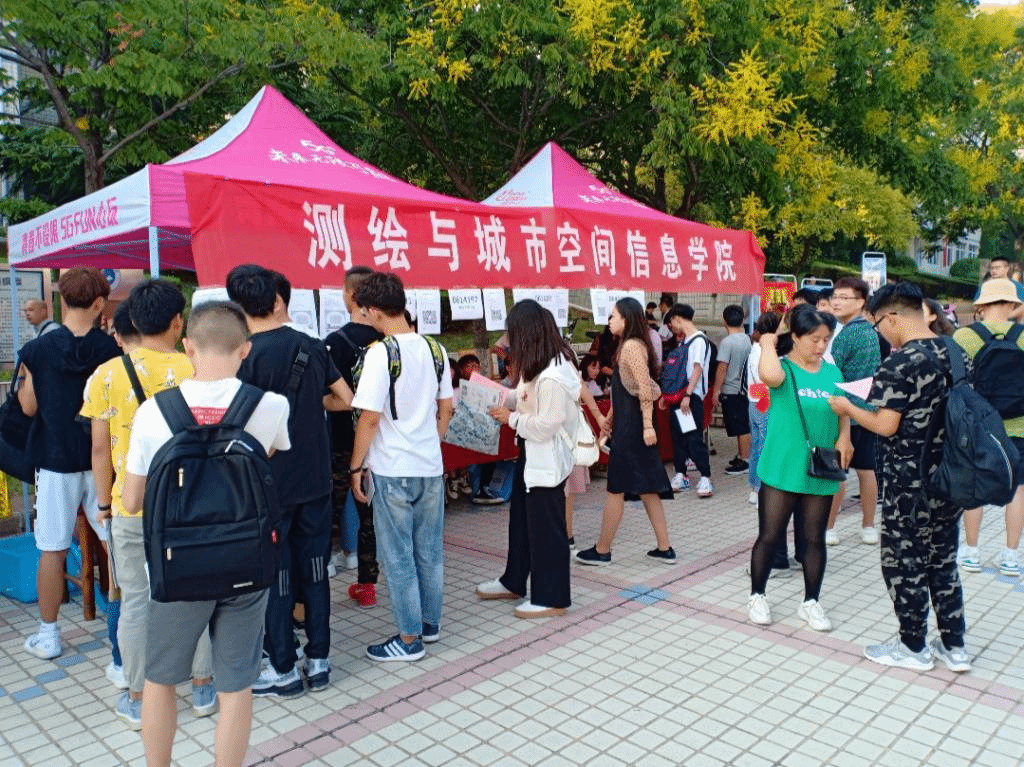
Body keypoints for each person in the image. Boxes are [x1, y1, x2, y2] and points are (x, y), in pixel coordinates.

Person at [121, 301, 291, 767]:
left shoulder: (154, 412)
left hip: (179, 568)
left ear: (188, 347)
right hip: (246, 563)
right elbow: (263, 462)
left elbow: (132, 501)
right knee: (236, 686)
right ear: (245, 349)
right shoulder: (271, 406)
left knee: (160, 680)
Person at [81, 279, 216, 729]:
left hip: (131, 505)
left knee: (137, 601)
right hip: (191, 505)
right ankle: (203, 687)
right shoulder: (200, 369)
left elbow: (99, 450)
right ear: (179, 322)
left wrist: (104, 504)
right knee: (195, 594)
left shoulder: (106, 375)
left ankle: (139, 697)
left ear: (132, 323)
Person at [829, 282, 971, 672]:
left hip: (910, 482)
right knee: (943, 559)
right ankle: (954, 645)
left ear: (891, 318)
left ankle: (913, 646)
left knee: (904, 561)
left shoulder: (901, 362)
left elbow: (885, 425)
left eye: (878, 324)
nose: (880, 332)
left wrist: (847, 408)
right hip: (953, 476)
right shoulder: (955, 351)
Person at [227, 265, 352, 697]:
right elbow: (346, 399)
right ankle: (319, 661)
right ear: (278, 301)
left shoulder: (243, 356)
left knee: (276, 573)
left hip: (269, 485)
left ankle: (282, 667)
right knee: (315, 569)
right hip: (315, 478)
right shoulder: (313, 346)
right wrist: (309, 403)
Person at [349, 273, 453, 661]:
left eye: (365, 311)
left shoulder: (381, 353)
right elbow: (446, 407)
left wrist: (355, 468)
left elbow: (369, 418)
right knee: (430, 551)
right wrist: (430, 442)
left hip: (392, 468)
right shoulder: (435, 349)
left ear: (375, 311)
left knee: (398, 556)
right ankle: (429, 625)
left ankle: (409, 640)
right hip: (430, 467)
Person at [19, 267, 120, 663]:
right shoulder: (111, 350)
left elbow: (28, 406)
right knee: (114, 543)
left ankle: (48, 635)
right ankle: (127, 626)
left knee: (52, 547)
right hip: (104, 459)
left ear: (61, 300)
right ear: (99, 304)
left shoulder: (38, 350)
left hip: (55, 458)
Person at [748, 304, 852, 632]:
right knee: (770, 535)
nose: (821, 346)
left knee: (813, 539)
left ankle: (811, 602)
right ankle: (757, 595)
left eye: (826, 339)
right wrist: (768, 340)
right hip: (782, 466)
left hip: (820, 467)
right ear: (794, 336)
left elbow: (841, 410)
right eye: (814, 339)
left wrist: (845, 437)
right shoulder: (783, 369)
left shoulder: (833, 373)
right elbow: (769, 376)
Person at [476, 300, 580, 617]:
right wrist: (495, 395)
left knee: (546, 530)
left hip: (547, 461)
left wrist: (510, 419)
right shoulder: (540, 365)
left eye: (512, 335)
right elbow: (522, 397)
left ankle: (552, 598)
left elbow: (547, 424)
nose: (509, 342)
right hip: (532, 456)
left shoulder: (553, 374)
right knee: (521, 521)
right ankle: (514, 580)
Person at [576, 298, 675, 566]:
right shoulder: (630, 345)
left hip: (634, 430)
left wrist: (647, 426)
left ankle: (602, 550)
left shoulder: (631, 346)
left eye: (613, 316)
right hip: (630, 426)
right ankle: (664, 548)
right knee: (647, 488)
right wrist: (609, 420)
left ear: (627, 319)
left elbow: (644, 388)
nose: (609, 321)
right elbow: (624, 391)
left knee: (616, 488)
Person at [952, 279, 1024, 577]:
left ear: (981, 306)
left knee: (975, 486)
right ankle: (1011, 556)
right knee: (1018, 489)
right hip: (1020, 424)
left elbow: (955, 381)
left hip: (979, 424)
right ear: (1013, 305)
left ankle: (971, 552)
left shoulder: (964, 336)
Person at [325, 266, 384, 609]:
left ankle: (321, 570)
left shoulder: (334, 342)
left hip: (341, 441)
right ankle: (367, 585)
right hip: (378, 443)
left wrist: (335, 402)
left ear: (348, 294)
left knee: (329, 508)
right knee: (369, 516)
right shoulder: (386, 340)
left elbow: (327, 397)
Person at [826, 277, 881, 546]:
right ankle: (868, 527)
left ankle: (829, 528)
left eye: (843, 297)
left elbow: (833, 376)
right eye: (835, 296)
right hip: (868, 412)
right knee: (867, 470)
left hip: (844, 412)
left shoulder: (847, 335)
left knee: (838, 471)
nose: (836, 302)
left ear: (860, 302)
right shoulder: (871, 331)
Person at [662, 304, 714, 497]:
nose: (671, 327)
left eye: (671, 323)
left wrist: (687, 396)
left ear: (678, 318)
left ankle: (705, 477)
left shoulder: (699, 341)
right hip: (680, 398)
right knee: (678, 438)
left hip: (690, 399)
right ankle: (680, 474)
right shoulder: (685, 342)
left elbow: (697, 369)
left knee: (693, 438)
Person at [714, 304, 752, 476]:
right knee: (741, 425)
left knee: (741, 427)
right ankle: (742, 455)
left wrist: (716, 390)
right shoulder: (747, 339)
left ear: (724, 321)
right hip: (745, 389)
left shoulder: (727, 342)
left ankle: (746, 461)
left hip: (731, 389)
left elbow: (722, 367)